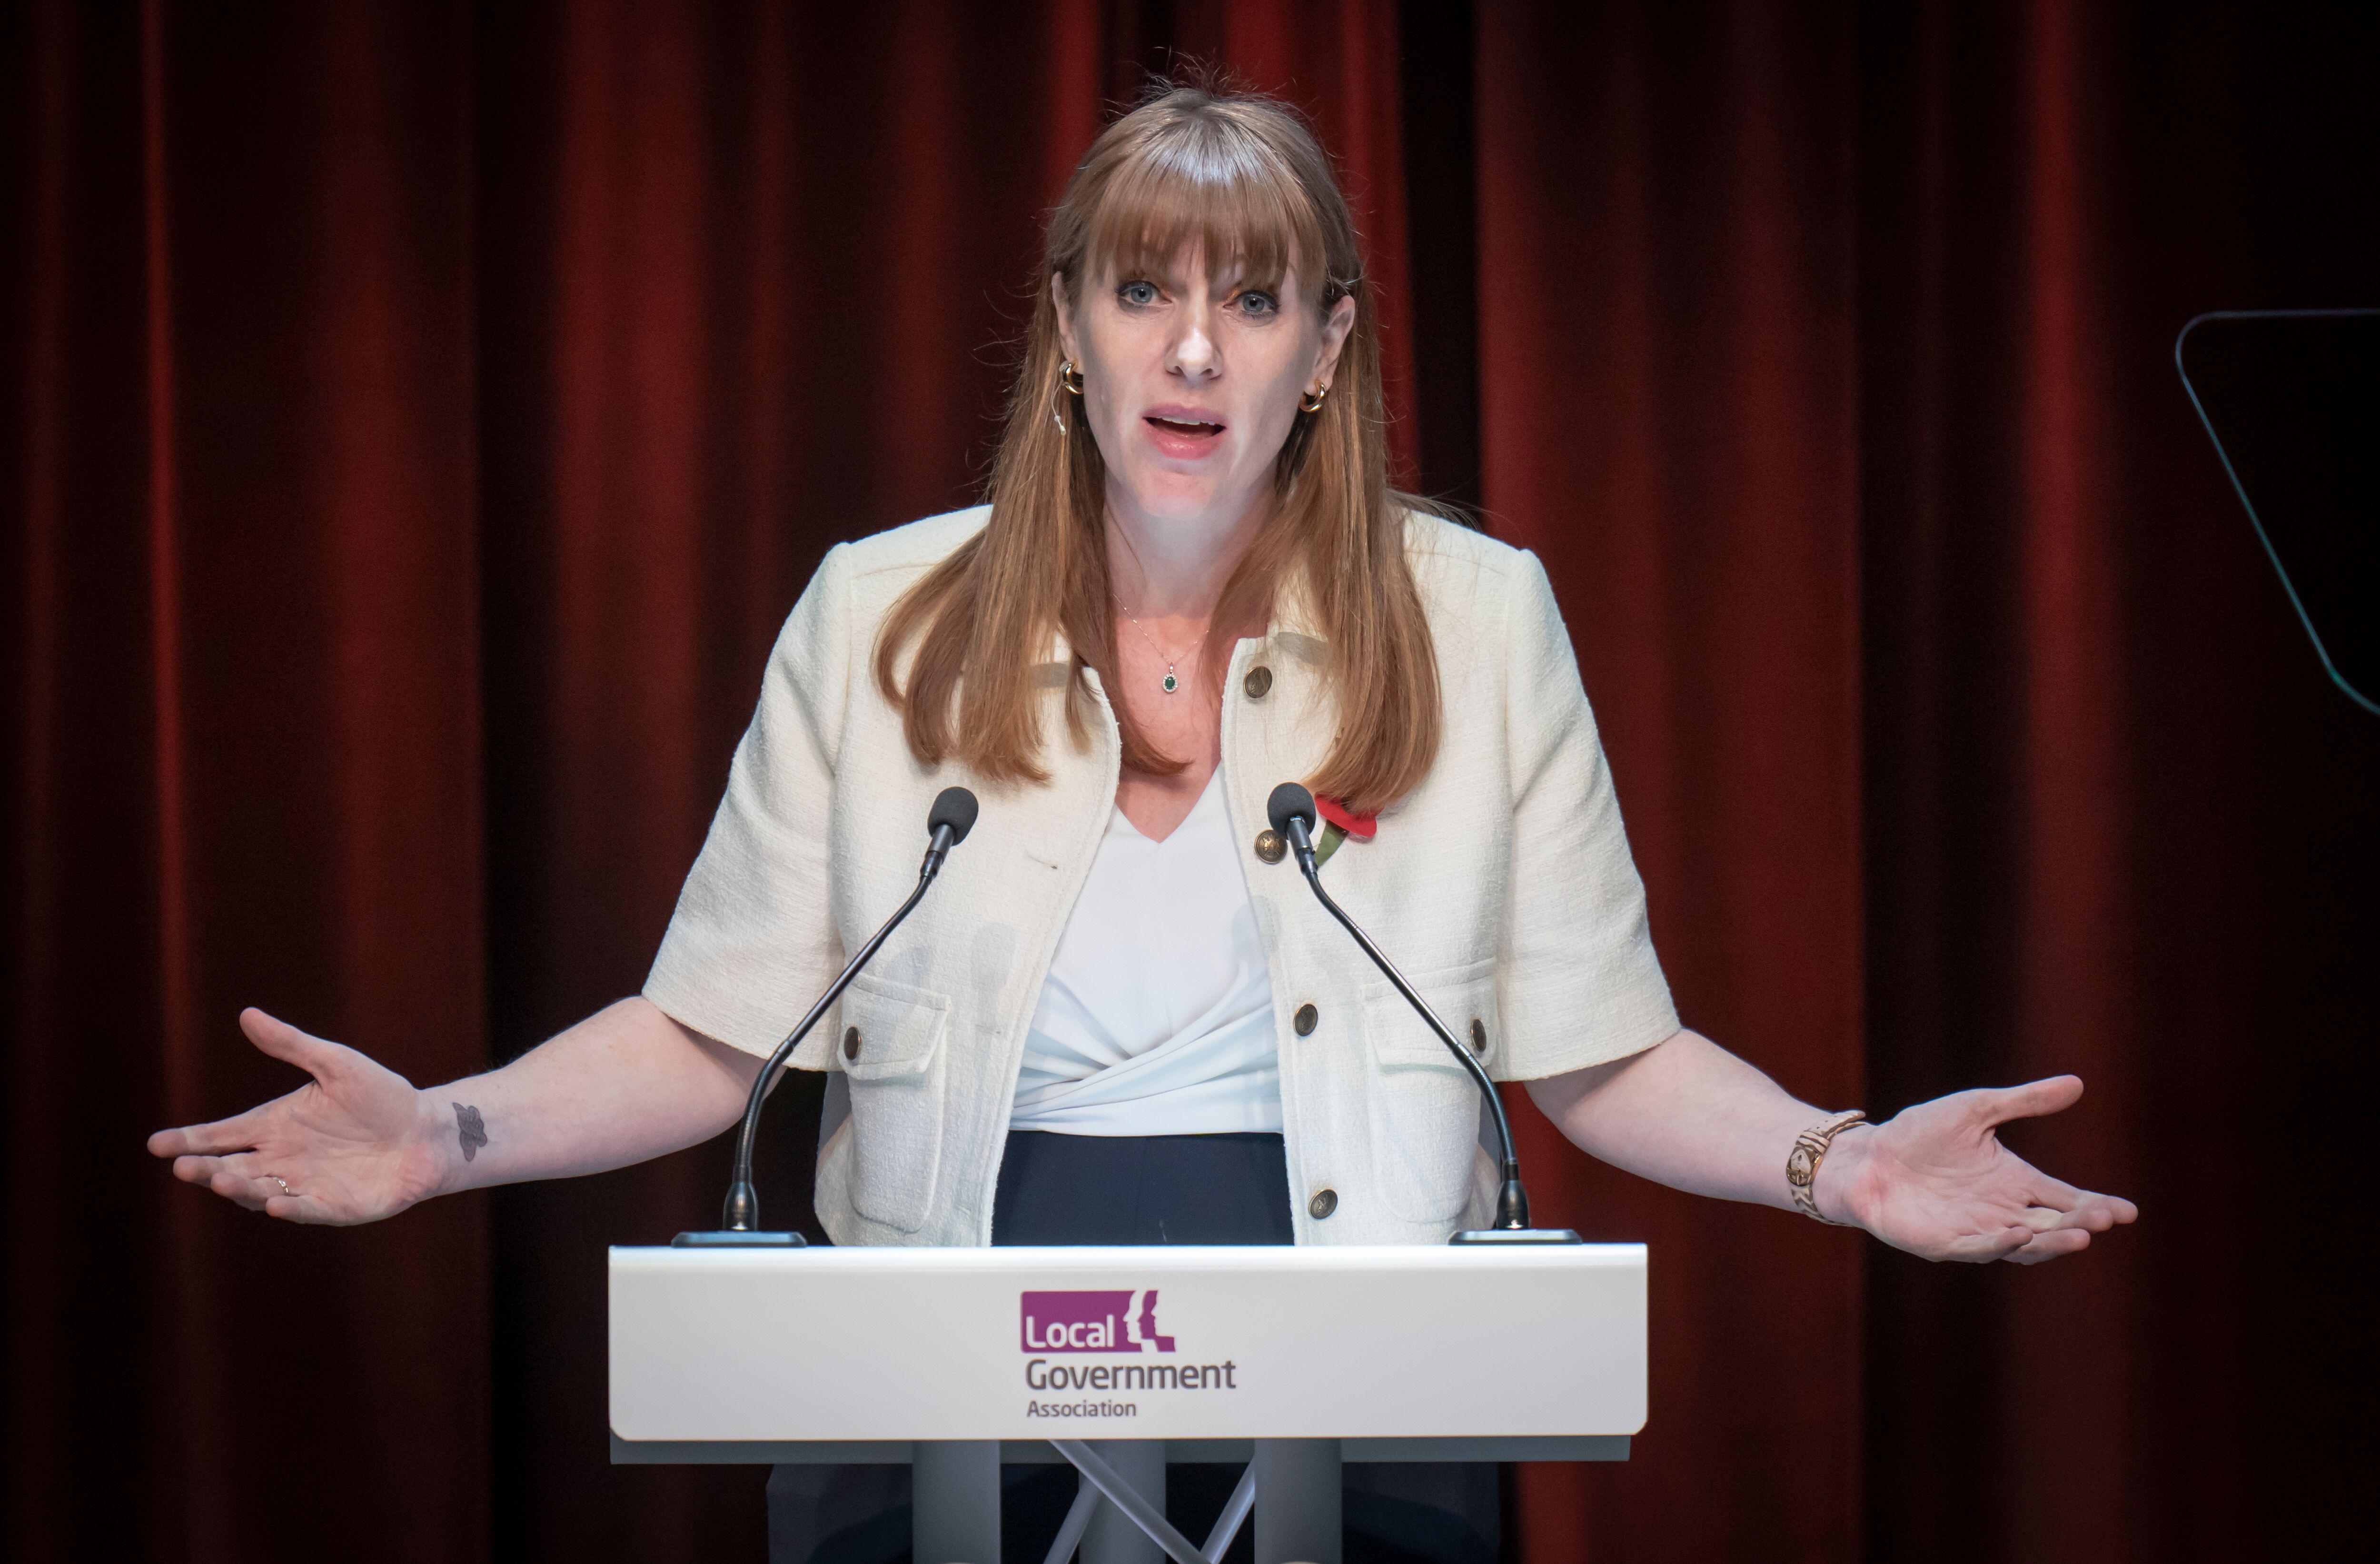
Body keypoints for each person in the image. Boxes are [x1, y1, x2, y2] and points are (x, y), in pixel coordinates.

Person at [149, 83, 2136, 1563]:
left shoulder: (1477, 616)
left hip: (1358, 1366)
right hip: (924, 1354)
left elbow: (1591, 1047)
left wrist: (1836, 1163)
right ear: (1070, 330)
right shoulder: (877, 613)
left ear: (1325, 350)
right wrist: (444, 1133)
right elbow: (720, 1026)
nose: (1194, 348)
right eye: (1143, 291)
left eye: (1255, 298)